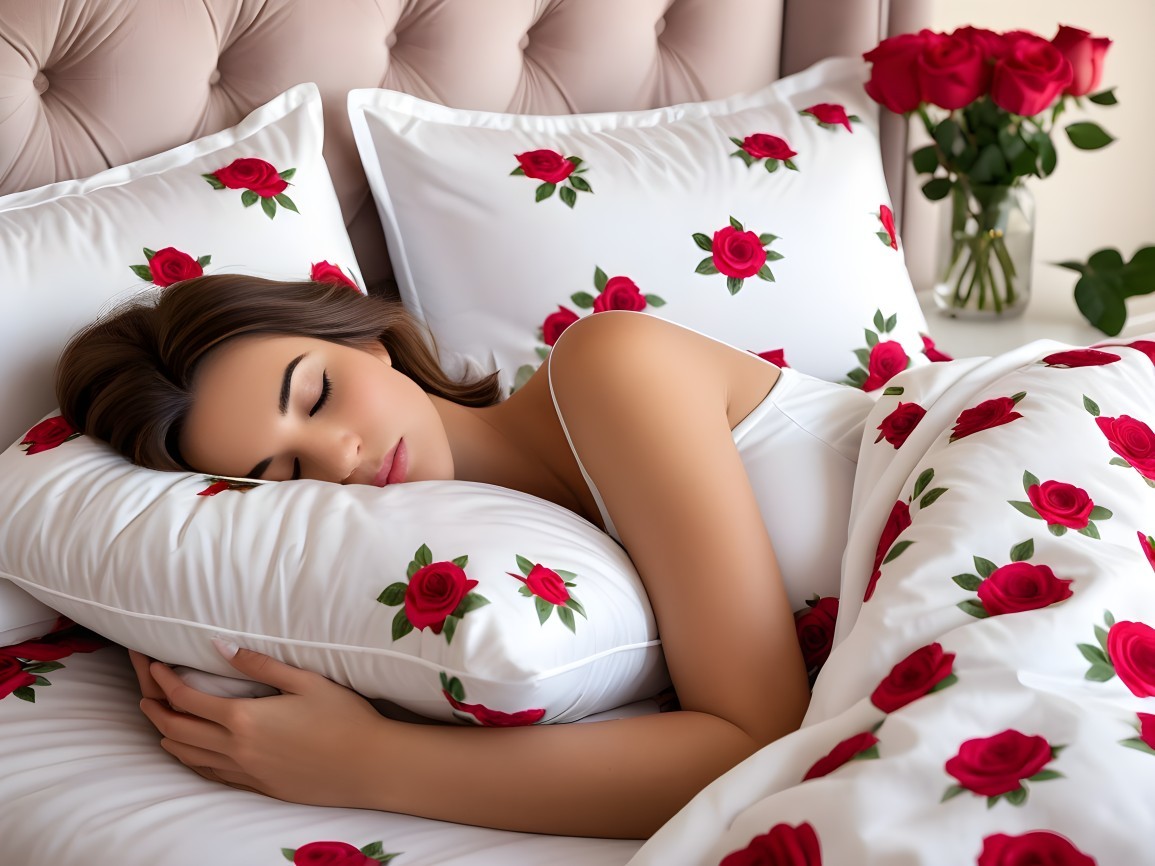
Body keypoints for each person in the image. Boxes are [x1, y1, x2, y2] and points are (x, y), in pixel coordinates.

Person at [55, 273, 873, 839]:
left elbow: (756, 741)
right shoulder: (470, 603)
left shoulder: (606, 367)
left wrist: (365, 763)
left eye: (318, 395)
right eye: (286, 473)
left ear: (369, 342)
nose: (339, 456)